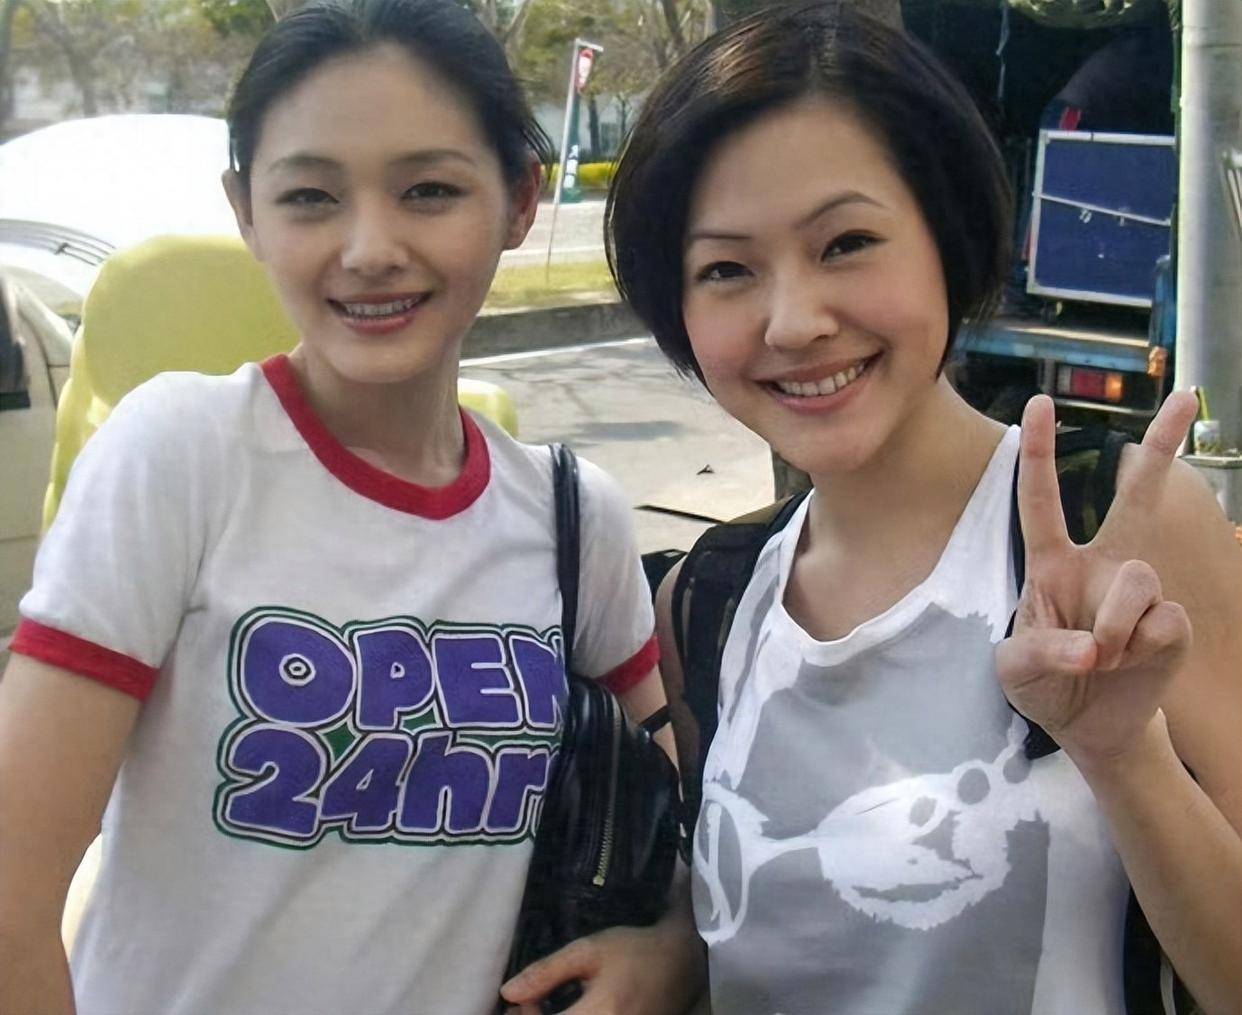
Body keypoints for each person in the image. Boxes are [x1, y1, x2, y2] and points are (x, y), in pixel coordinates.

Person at [0, 1, 702, 1012]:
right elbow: (14, 899)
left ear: (518, 200)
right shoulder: (181, 458)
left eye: (429, 190)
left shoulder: (570, 516)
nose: (370, 247)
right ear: (246, 210)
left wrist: (675, 950)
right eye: (311, 197)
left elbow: (673, 827)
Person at [606, 2, 1242, 1012]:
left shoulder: (1121, 530)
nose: (794, 321)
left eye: (847, 242)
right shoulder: (711, 599)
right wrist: (670, 949)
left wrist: (1127, 756)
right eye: (726, 269)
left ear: (946, 236)